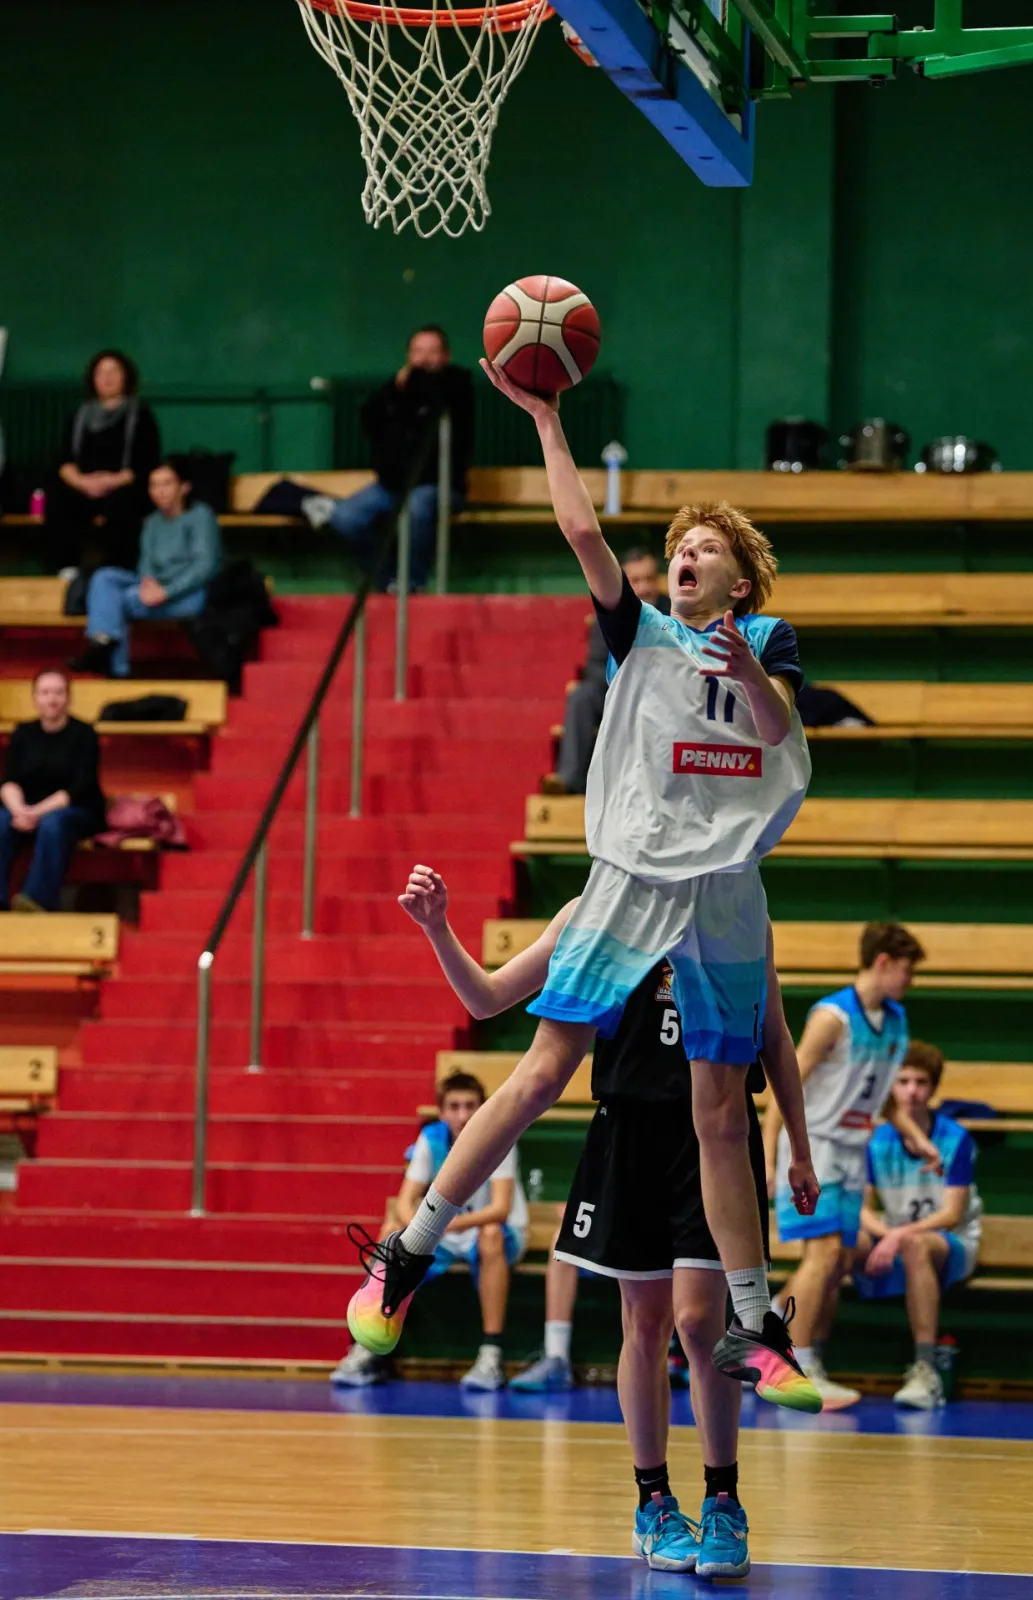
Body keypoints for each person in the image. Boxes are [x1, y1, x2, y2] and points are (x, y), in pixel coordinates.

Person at [348, 359, 823, 1409]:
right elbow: (578, 531)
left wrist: (742, 668)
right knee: (538, 1073)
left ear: (739, 583)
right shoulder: (639, 634)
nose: (684, 556)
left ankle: (752, 1327)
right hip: (634, 873)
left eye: (705, 550)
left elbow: (778, 727)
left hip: (723, 887)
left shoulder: (764, 641)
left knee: (718, 1112)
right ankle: (408, 1251)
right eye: (678, 548)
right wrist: (545, 420)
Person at [353, 864, 819, 1576]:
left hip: (714, 1146)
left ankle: (723, 1499)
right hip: (629, 1137)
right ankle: (653, 1500)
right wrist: (438, 928)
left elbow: (777, 1039)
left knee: (701, 1323)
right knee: (644, 1322)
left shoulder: (734, 915)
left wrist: (800, 1151)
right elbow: (485, 997)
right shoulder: (593, 912)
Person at [763, 921, 929, 1409]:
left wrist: (915, 1135)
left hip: (852, 1151)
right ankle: (795, 1369)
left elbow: (883, 1096)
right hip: (814, 1146)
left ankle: (764, 1335)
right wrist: (770, 1155)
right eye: (906, 970)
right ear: (883, 962)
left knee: (840, 1259)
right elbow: (785, 1084)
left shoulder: (895, 1020)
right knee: (824, 1253)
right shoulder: (832, 1018)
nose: (910, 980)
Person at [332, 1070, 527, 1392]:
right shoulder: (432, 1138)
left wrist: (438, 1226)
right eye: (455, 1106)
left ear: (483, 1108)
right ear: (442, 1112)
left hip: (490, 1231)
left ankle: (491, 1353)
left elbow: (500, 1209)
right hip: (445, 1233)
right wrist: (416, 1231)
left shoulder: (498, 1133)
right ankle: (369, 1346)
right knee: (392, 1231)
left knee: (491, 1235)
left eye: (470, 1106)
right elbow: (405, 1200)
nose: (463, 1115)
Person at [852, 1041, 983, 1410]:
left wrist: (895, 1236)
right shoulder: (876, 1140)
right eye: (903, 1081)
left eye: (921, 1082)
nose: (912, 1091)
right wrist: (886, 1235)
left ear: (933, 1088)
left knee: (916, 1244)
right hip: (896, 1237)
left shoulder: (955, 1138)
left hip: (952, 1241)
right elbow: (861, 1208)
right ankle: (802, 1359)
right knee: (841, 1242)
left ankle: (925, 1370)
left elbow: (951, 1215)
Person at [304, 326, 474, 593]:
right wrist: (396, 388)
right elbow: (369, 418)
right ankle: (389, 582)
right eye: (418, 352)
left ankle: (414, 584)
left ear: (446, 356)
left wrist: (421, 382)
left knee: (417, 507)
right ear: (408, 356)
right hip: (391, 487)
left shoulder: (458, 386)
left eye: (432, 351)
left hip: (438, 487)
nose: (424, 359)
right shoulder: (397, 390)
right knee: (346, 516)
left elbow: (447, 405)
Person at [69, 459, 222, 678]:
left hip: (189, 593)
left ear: (184, 487)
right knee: (105, 577)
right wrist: (148, 581)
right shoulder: (152, 521)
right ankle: (101, 643)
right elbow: (146, 561)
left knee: (118, 601)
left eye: (166, 484)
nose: (159, 491)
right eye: (154, 485)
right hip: (155, 587)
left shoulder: (201, 516)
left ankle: (116, 669)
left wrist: (166, 591)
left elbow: (205, 566)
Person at [542, 547, 668, 796]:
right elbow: (597, 666)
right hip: (618, 690)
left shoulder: (674, 610)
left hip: (661, 692)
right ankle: (568, 780)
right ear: (624, 584)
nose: (644, 587)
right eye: (636, 581)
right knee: (582, 696)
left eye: (649, 579)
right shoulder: (609, 610)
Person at [45, 350, 161, 578]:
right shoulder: (79, 415)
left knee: (125, 504)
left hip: (122, 485)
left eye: (113, 371)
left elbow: (146, 461)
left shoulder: (141, 414)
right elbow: (64, 460)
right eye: (101, 373)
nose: (107, 378)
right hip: (84, 486)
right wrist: (82, 482)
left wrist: (111, 481)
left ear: (126, 377)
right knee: (59, 498)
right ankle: (67, 568)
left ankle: (117, 571)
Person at [0, 669, 106, 911]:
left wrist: (35, 812)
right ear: (35, 698)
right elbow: (9, 780)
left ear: (68, 698)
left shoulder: (84, 734)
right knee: (1, 821)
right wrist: (19, 810)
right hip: (27, 808)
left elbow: (81, 787)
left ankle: (36, 900)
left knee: (53, 823)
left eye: (58, 693)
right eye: (45, 693)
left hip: (75, 810)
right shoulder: (23, 733)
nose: (52, 699)